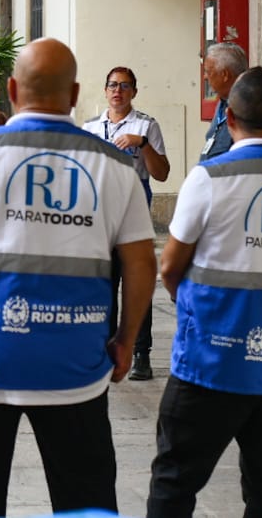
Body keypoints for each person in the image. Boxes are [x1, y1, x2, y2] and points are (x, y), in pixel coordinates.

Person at [0, 38, 156, 518]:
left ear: (10, 90)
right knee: (84, 498)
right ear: (76, 94)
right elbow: (141, 262)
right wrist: (126, 339)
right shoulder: (114, 165)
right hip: (75, 365)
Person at [145, 68, 262, 518]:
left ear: (228, 116)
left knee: (175, 479)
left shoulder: (211, 177)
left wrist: (191, 304)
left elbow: (170, 265)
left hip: (211, 356)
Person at [87, 65, 171, 382]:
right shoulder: (92, 126)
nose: (117, 91)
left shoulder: (146, 125)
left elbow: (162, 173)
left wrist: (144, 144)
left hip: (134, 213)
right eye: (112, 85)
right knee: (103, 286)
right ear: (105, 90)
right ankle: (105, 349)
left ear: (134, 91)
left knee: (137, 284)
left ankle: (141, 353)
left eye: (124, 86)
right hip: (100, 215)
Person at [199, 42, 247, 163]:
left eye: (208, 72)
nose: (205, 77)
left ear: (224, 75)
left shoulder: (247, 106)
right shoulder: (222, 102)